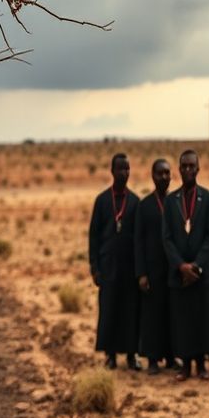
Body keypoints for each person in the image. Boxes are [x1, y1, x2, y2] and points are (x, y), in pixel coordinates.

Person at [162, 149, 209, 381]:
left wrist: (195, 266)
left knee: (202, 319)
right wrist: (181, 266)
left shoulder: (208, 198)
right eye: (183, 166)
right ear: (179, 169)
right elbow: (166, 238)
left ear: (198, 169)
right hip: (179, 274)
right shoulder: (171, 200)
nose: (187, 170)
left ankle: (201, 365)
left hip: (201, 274)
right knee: (182, 321)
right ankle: (185, 365)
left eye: (191, 166)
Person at [87, 153, 141, 370]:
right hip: (107, 267)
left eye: (127, 169)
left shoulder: (135, 201)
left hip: (129, 268)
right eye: (120, 169)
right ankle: (110, 355)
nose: (124, 173)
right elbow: (94, 236)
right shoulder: (102, 201)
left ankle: (131, 355)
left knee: (130, 312)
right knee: (109, 311)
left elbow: (139, 239)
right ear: (112, 171)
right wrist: (94, 267)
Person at [134, 159, 177, 375]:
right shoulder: (145, 205)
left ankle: (170, 357)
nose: (164, 177)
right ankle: (152, 359)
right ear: (152, 176)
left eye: (168, 173)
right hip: (151, 272)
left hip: (172, 270)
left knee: (171, 315)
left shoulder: (176, 201)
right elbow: (138, 241)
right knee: (152, 317)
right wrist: (141, 273)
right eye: (160, 173)